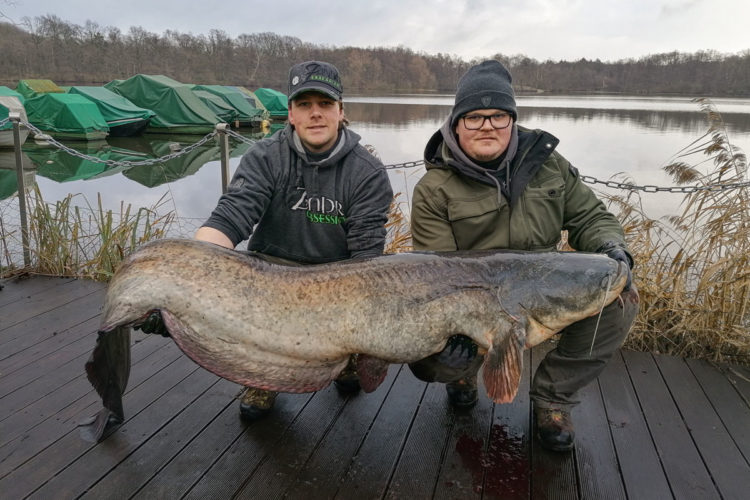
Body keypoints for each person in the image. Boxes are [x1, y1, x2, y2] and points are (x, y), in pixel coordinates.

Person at [137, 61, 394, 420]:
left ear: (341, 111)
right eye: (305, 105)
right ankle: (261, 378)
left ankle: (346, 363)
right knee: (255, 395)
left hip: (339, 282)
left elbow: (368, 258)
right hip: (270, 276)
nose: (315, 114)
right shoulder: (265, 156)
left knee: (350, 369)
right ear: (290, 113)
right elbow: (231, 217)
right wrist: (187, 279)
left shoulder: (368, 173)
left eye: (325, 104)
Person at [407, 60, 639, 452]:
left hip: (541, 293)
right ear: (457, 123)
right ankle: (462, 374)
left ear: (512, 119)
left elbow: (590, 216)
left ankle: (553, 399)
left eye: (498, 116)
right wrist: (456, 334)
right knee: (433, 357)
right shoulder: (434, 188)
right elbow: (435, 272)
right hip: (472, 301)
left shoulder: (549, 166)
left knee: (618, 303)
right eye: (474, 117)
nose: (487, 126)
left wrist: (611, 248)